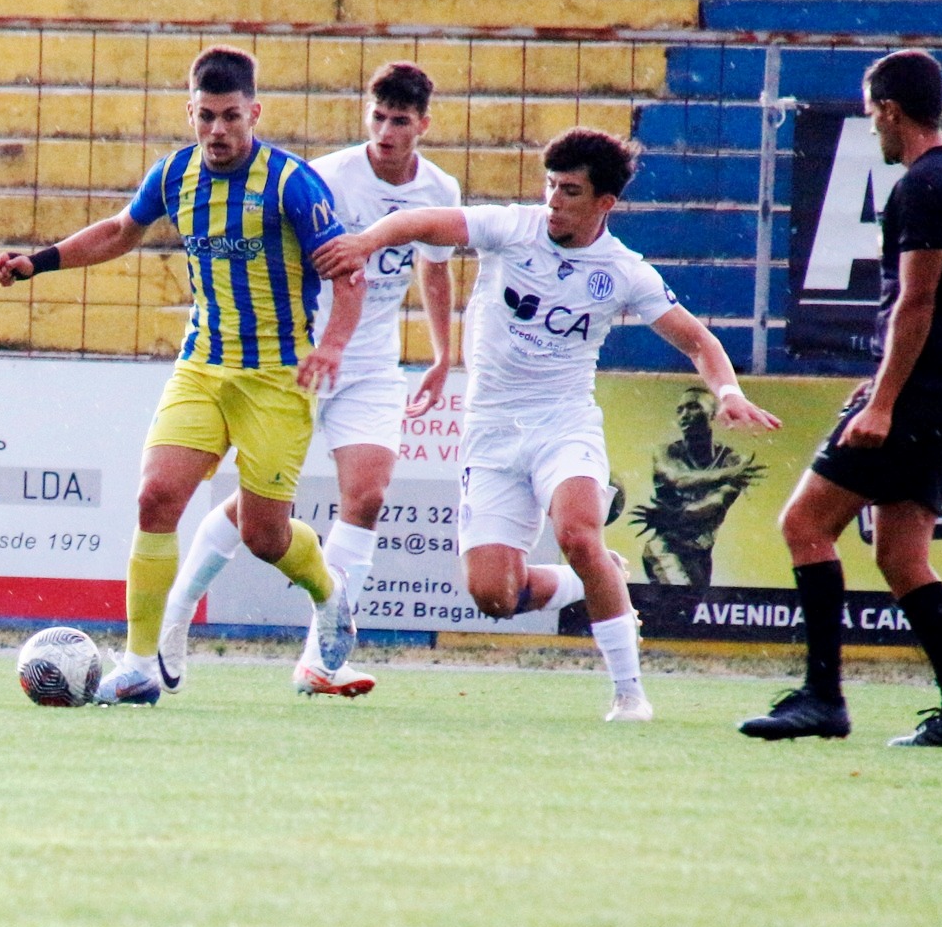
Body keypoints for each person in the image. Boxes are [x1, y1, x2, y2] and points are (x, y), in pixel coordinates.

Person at [314, 127, 781, 722]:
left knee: (580, 532)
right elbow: (425, 222)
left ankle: (629, 694)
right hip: (488, 431)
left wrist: (729, 390)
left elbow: (697, 340)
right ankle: (597, 577)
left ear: (604, 203)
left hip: (563, 424)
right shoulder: (514, 228)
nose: (553, 201)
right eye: (551, 186)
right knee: (494, 596)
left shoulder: (624, 271)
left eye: (570, 191)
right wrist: (367, 240)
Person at [0, 45, 364, 705]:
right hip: (202, 365)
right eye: (206, 117)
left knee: (265, 536)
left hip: (276, 377)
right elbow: (117, 231)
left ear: (254, 111)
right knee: (155, 497)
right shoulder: (175, 174)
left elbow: (347, 273)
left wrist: (331, 345)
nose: (218, 131)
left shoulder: (292, 183)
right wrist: (36, 262)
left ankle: (330, 599)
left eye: (230, 117)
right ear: (190, 111)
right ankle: (136, 665)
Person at [155, 61, 458, 698]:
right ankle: (177, 610)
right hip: (298, 355)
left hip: (371, 364)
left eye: (399, 120)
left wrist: (440, 352)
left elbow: (433, 271)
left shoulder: (440, 190)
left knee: (367, 497)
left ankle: (321, 657)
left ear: (422, 126)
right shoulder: (324, 177)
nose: (385, 130)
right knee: (261, 513)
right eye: (377, 116)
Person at [741, 49, 942, 748]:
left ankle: (823, 696)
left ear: (890, 110)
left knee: (804, 524)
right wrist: (889, 382)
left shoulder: (921, 186)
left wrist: (883, 400)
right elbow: (941, 309)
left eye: (870, 117)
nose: (871, 131)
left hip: (916, 398)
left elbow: (916, 301)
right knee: (902, 559)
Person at [630, 386, 766, 587]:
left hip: (700, 556)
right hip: (665, 548)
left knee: (685, 613)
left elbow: (715, 504)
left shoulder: (731, 459)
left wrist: (673, 517)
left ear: (712, 413)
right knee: (678, 597)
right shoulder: (667, 452)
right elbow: (678, 479)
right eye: (680, 410)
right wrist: (728, 475)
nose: (685, 415)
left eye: (693, 407)